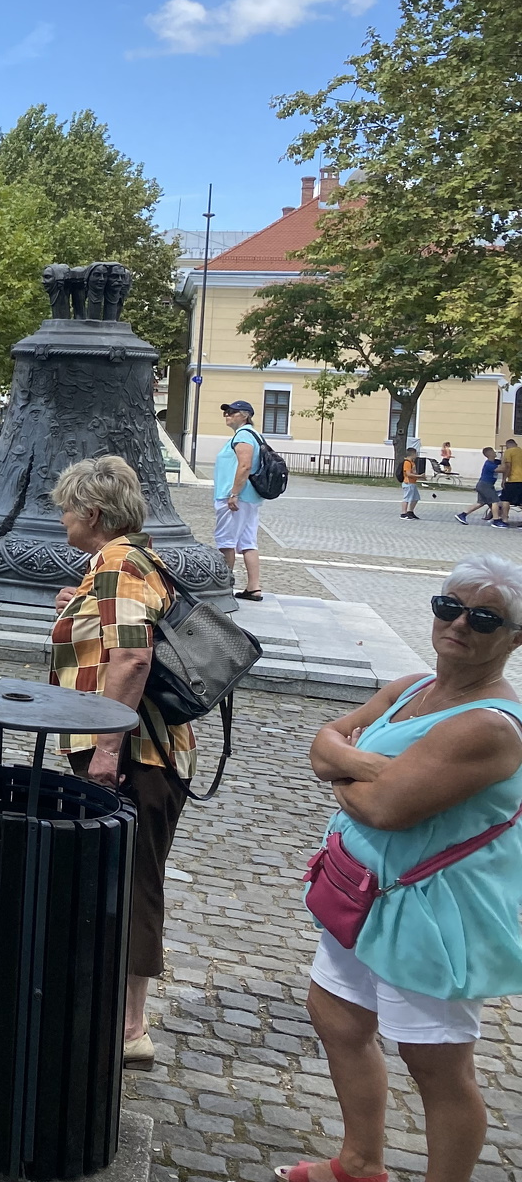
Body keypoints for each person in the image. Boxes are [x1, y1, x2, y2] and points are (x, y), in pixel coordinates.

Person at [284, 554, 522, 1182]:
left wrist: (348, 770)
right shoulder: (412, 688)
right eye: (450, 606)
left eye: (485, 618)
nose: (460, 623)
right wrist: (368, 766)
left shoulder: (490, 726)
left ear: (515, 638)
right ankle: (360, 1162)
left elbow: (385, 810)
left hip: (433, 916)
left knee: (437, 1066)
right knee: (336, 1015)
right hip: (361, 892)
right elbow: (322, 743)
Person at [47, 455, 191, 1067]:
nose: (62, 519)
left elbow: (132, 657)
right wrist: (76, 608)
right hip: (142, 750)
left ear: (93, 513)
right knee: (120, 878)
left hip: (133, 754)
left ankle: (130, 1027)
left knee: (132, 883)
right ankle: (113, 1011)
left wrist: (106, 747)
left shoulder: (118, 563)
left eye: (67, 509)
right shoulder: (131, 559)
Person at [212, 401, 265, 601]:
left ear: (244, 415)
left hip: (236, 498)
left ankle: (224, 586)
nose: (227, 415)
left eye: (231, 412)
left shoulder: (243, 435)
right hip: (249, 497)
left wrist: (234, 493)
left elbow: (245, 466)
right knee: (248, 541)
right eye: (225, 412)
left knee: (226, 541)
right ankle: (253, 587)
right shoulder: (252, 435)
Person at [459, 447, 500, 526]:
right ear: (489, 454)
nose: (495, 453)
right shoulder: (489, 464)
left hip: (483, 485)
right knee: (495, 501)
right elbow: (501, 469)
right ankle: (496, 520)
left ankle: (462, 515)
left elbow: (500, 462)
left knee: (480, 503)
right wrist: (506, 464)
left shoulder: (494, 462)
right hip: (485, 485)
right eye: (493, 452)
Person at [401, 451, 423, 520]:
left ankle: (410, 511)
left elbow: (413, 472)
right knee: (407, 498)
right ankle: (403, 513)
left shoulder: (412, 462)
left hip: (413, 483)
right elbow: (408, 474)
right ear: (412, 454)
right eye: (415, 454)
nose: (416, 455)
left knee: (416, 498)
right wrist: (419, 476)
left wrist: (419, 477)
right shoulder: (407, 462)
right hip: (408, 483)